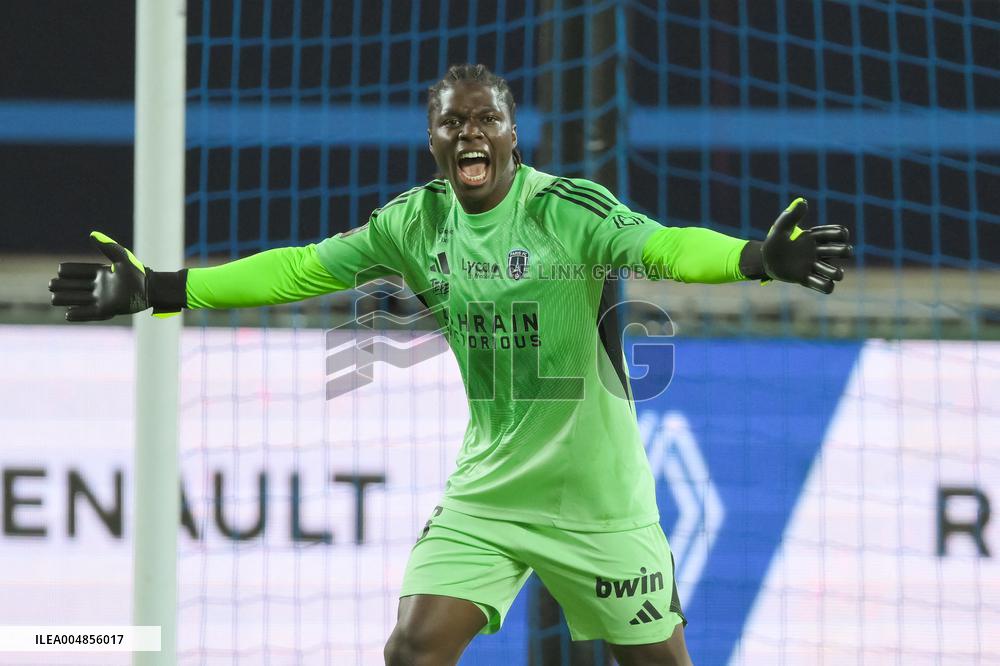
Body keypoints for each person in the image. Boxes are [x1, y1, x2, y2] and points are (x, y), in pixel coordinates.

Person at [49, 64, 852, 666]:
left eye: (486, 118)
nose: (471, 132)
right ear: (433, 140)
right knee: (413, 648)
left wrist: (755, 259)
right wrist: (159, 288)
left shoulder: (566, 211)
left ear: (511, 135)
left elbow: (665, 246)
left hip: (600, 502)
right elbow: (300, 268)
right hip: (490, 492)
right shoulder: (412, 224)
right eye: (452, 121)